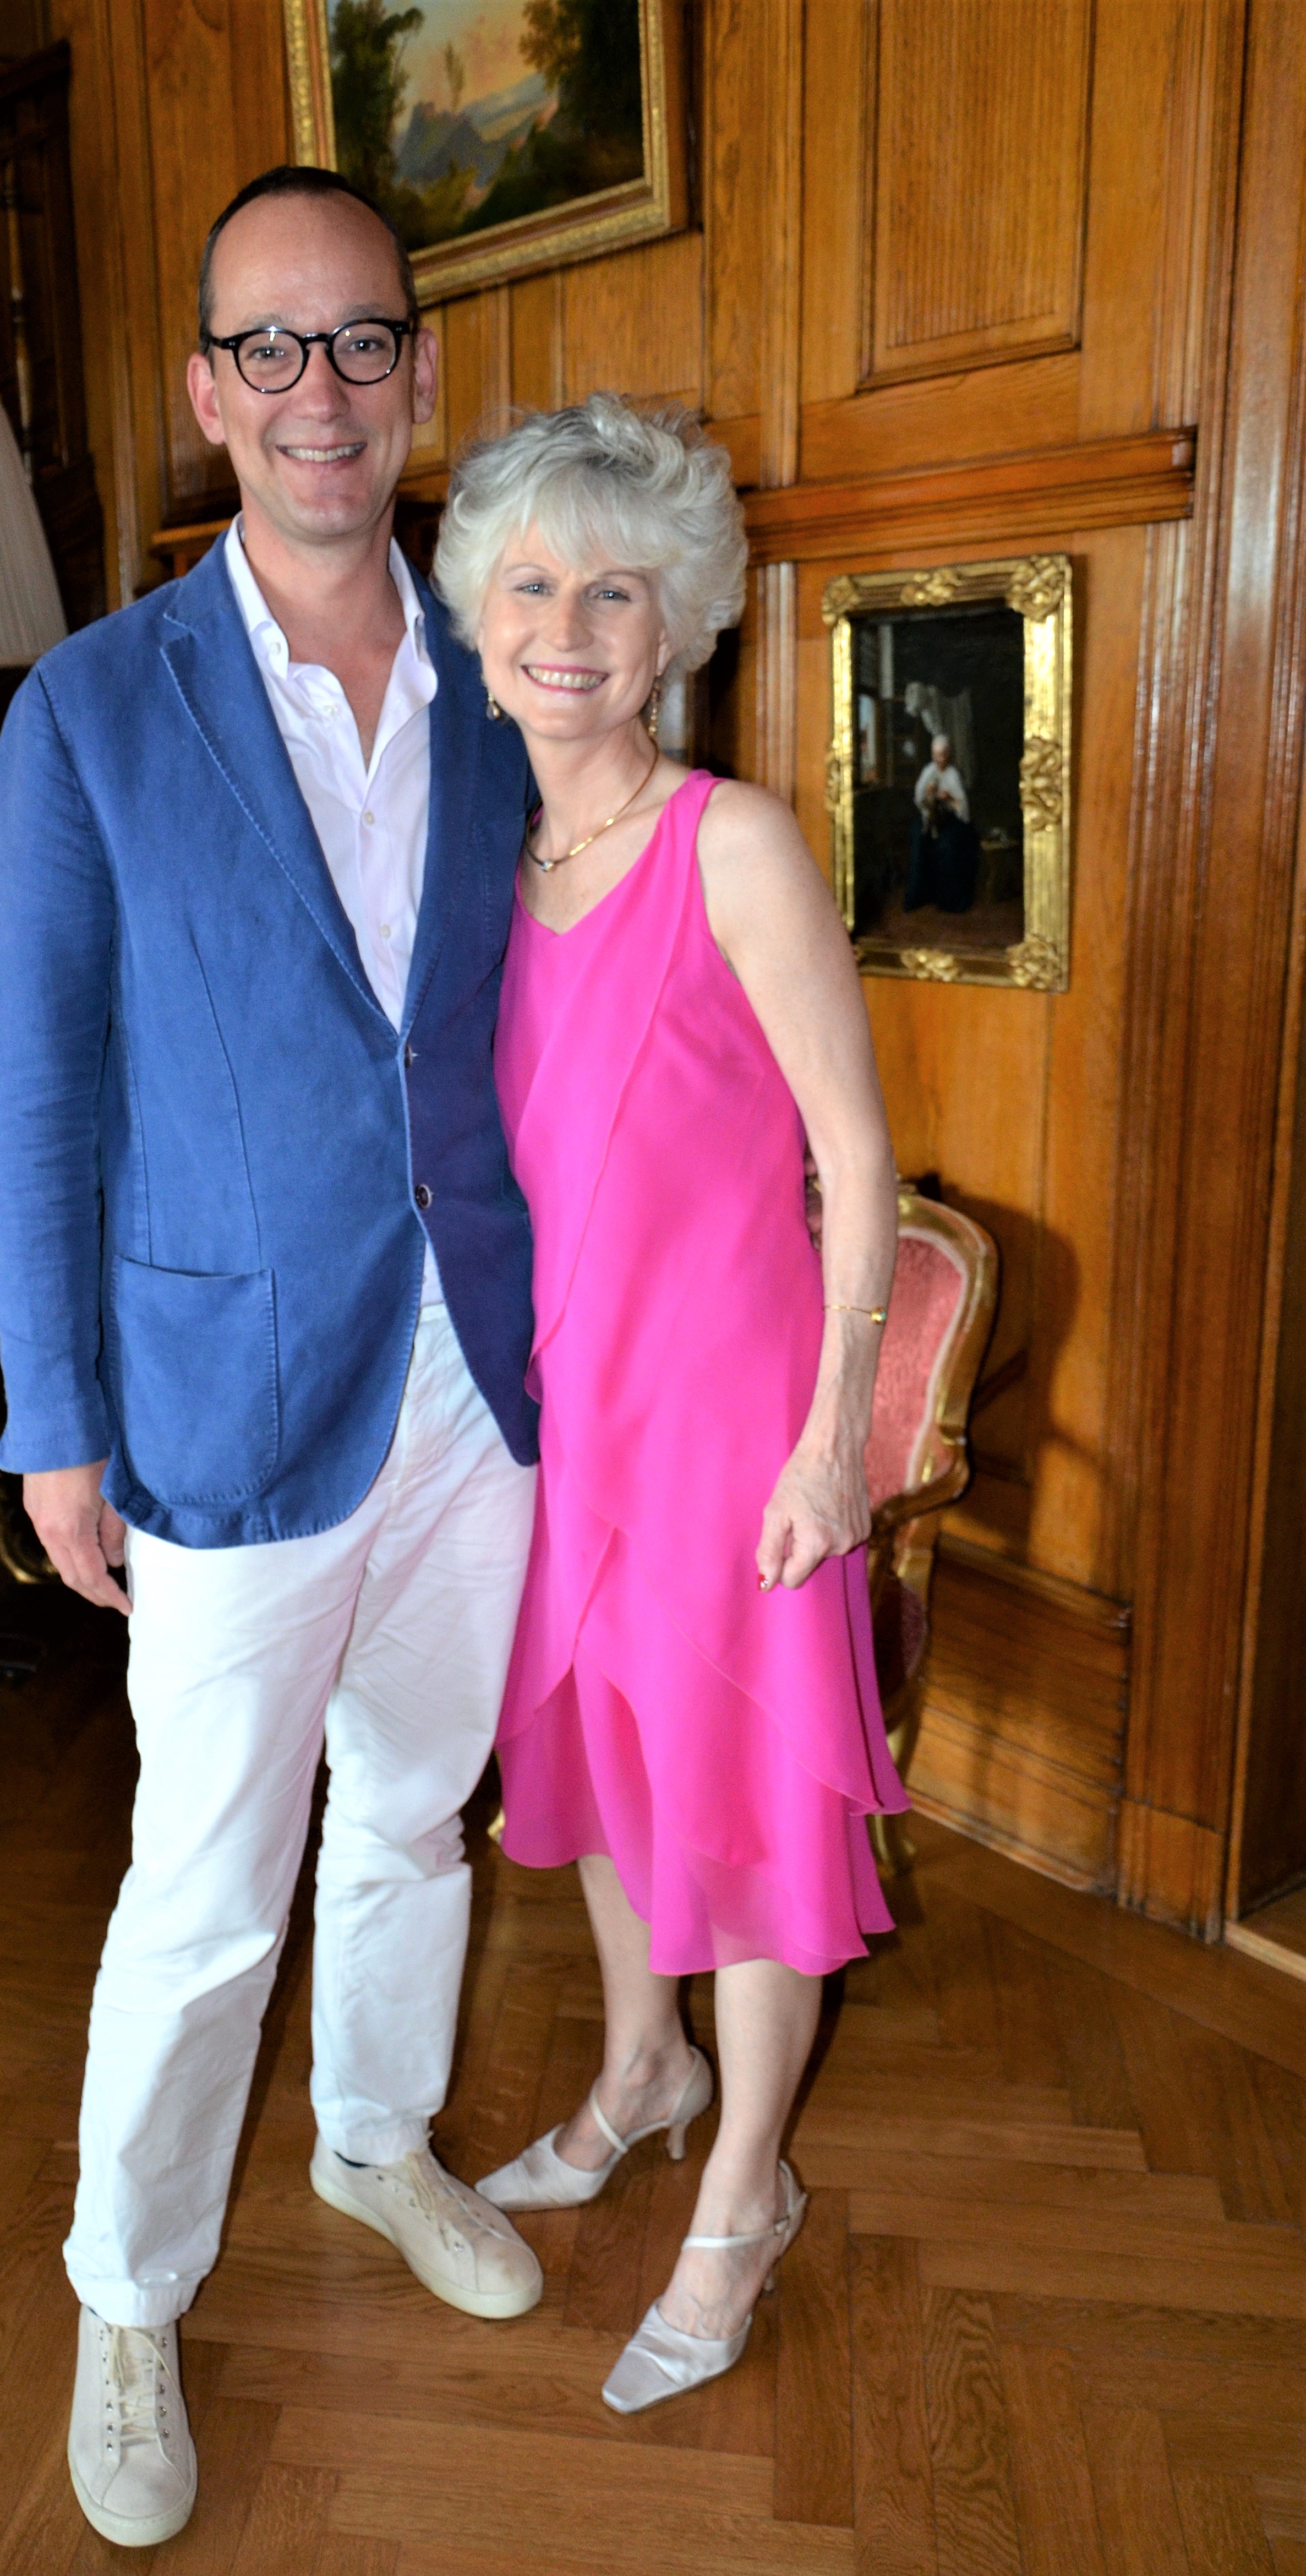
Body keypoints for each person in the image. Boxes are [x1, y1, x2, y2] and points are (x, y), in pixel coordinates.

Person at [0, 165, 544, 2552]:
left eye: (361, 340)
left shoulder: (516, 674)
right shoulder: (92, 710)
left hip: (478, 1375)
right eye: (271, 346)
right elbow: (36, 1094)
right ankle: (127, 2291)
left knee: (412, 1809)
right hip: (222, 1391)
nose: (322, 391)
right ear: (208, 391)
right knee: (204, 1887)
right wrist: (52, 1423)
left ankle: (374, 2138)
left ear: (418, 371)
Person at [429, 395, 910, 2413]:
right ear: (479, 622)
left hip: (729, 1427)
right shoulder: (483, 857)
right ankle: (642, 2065)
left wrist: (832, 1441)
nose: (567, 628)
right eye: (532, 585)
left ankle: (743, 2191)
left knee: (754, 1807)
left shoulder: (736, 847)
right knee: (610, 1768)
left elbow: (857, 1164)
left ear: (676, 627)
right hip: (567, 1418)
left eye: (614, 592)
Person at [905, 732, 979, 913]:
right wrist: (929, 796)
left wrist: (949, 798)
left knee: (947, 845)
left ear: (948, 755)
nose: (938, 759)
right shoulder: (928, 771)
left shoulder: (953, 775)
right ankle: (918, 896)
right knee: (918, 838)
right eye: (935, 755)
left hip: (951, 820)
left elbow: (963, 809)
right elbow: (919, 800)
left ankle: (949, 901)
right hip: (930, 818)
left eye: (942, 755)